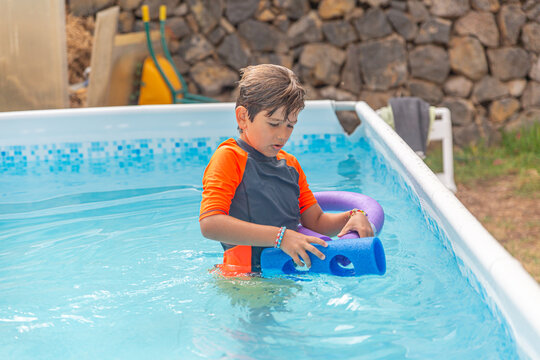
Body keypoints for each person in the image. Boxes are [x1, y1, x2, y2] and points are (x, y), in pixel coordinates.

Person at [199, 64, 373, 275]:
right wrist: (281, 237)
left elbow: (316, 221)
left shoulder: (290, 165)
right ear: (243, 117)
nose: (283, 135)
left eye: (290, 125)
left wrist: (353, 215)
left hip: (287, 273)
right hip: (243, 278)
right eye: (273, 124)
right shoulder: (230, 158)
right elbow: (210, 223)